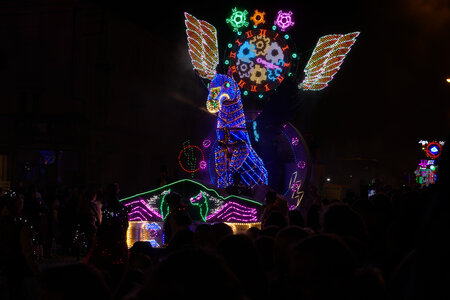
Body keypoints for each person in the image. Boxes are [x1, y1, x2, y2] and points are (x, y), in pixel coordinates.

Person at [0, 190, 40, 299]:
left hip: (8, 263)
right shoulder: (20, 225)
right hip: (20, 266)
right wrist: (35, 269)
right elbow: (27, 251)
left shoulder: (4, 222)